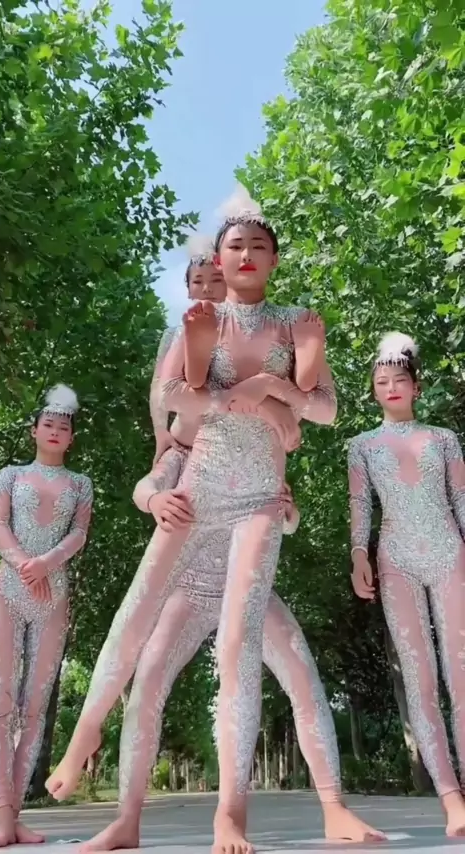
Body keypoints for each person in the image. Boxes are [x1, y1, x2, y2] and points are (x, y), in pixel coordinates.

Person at [46, 185, 336, 852]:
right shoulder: (197, 325)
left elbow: (321, 412)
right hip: (199, 486)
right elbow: (175, 400)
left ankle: (231, 813)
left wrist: (275, 389)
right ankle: (91, 744)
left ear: (274, 259)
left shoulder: (294, 321)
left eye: (259, 245)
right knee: (137, 620)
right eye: (234, 245)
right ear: (220, 259)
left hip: (257, 497)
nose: (246, 254)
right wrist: (246, 399)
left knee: (240, 645)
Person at [75, 448, 384, 852]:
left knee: (304, 678)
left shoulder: (257, 444)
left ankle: (334, 807)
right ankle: (126, 819)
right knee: (148, 682)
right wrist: (154, 500)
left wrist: (289, 511)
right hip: (189, 591)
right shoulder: (183, 451)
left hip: (252, 591)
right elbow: (145, 487)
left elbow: (285, 521)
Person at [349, 332, 465, 838]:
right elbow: (360, 506)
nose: (391, 387)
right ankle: (451, 799)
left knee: (461, 675)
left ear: (416, 386)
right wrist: (358, 554)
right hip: (395, 559)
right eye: (381, 382)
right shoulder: (361, 446)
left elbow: (461, 498)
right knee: (420, 681)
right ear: (374, 391)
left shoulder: (444, 438)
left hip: (449, 554)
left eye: (399, 379)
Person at [0, 384, 93, 849]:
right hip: (8, 592)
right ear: (34, 431)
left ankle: (18, 816)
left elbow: (79, 533)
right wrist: (23, 564)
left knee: (34, 707)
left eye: (62, 427)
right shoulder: (10, 475)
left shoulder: (80, 484)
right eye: (47, 424)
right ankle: (1, 818)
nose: (54, 431)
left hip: (53, 596)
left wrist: (46, 563)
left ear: (71, 438)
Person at [150, 235, 226, 464]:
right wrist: (160, 432)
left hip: (232, 451)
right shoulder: (174, 335)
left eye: (216, 280)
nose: (207, 288)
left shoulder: (247, 329)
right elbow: (158, 386)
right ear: (189, 290)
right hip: (182, 445)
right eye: (198, 281)